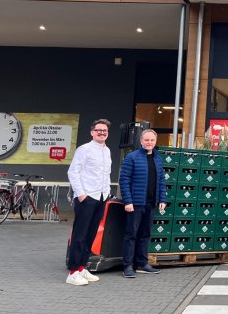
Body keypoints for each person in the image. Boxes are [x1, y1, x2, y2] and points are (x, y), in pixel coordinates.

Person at [66, 119, 113, 286]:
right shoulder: (84, 149)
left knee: (91, 235)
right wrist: (81, 194)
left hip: (101, 197)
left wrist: (107, 193)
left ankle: (82, 267)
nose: (102, 132)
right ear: (92, 132)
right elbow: (73, 172)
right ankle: (73, 272)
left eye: (104, 130)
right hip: (87, 197)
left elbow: (106, 174)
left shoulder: (107, 150)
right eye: (98, 130)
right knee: (79, 235)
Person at [118, 129, 166, 278]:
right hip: (135, 204)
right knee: (131, 235)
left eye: (152, 140)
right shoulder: (132, 157)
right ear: (141, 141)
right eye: (146, 140)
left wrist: (162, 199)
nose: (149, 142)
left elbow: (161, 181)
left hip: (151, 203)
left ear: (155, 142)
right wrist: (128, 201)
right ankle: (127, 266)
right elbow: (124, 179)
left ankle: (142, 264)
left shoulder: (158, 159)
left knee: (145, 235)